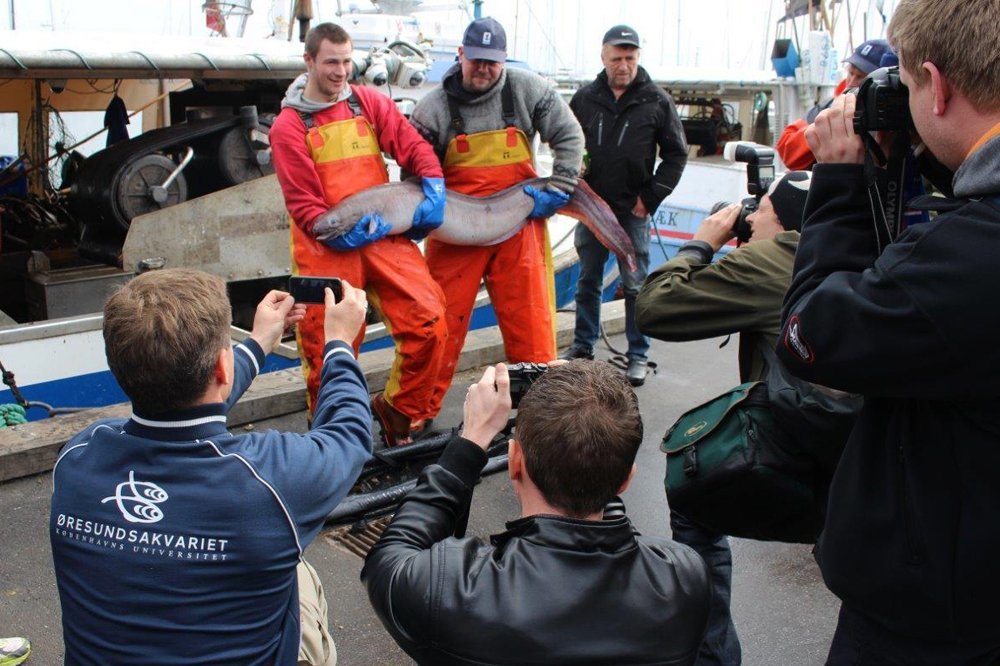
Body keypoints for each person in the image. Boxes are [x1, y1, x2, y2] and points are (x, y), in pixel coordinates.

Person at [776, 0, 1000, 661]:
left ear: (940, 84)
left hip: (936, 615)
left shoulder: (969, 258)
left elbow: (809, 335)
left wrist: (843, 177)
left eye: (907, 85)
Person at [49, 268, 372, 665]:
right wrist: (339, 342)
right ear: (223, 367)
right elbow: (350, 435)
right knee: (298, 571)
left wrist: (257, 343)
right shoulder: (272, 483)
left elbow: (178, 399)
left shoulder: (78, 456)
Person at [361, 360, 711, 665]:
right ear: (625, 481)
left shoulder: (446, 590)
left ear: (514, 462)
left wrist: (471, 441)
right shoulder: (685, 578)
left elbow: (389, 557)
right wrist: (594, 433)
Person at [636, 171, 816, 665]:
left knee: (694, 495)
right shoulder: (858, 240)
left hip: (814, 457)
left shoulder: (780, 257)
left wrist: (700, 245)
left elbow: (655, 308)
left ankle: (712, 659)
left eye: (763, 210)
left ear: (786, 226)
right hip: (876, 455)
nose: (751, 215)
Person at [269, 22, 448, 446]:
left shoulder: (367, 103)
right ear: (309, 61)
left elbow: (412, 145)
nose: (341, 71)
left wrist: (433, 181)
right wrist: (338, 235)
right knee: (326, 348)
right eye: (332, 62)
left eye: (347, 61)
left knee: (431, 322)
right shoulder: (288, 127)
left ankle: (398, 413)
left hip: (382, 235)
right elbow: (305, 205)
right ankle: (330, 438)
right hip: (325, 248)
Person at [409, 17, 585, 418]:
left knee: (533, 329)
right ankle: (416, 412)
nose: (483, 69)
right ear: (461, 56)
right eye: (476, 61)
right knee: (435, 326)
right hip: (454, 233)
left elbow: (569, 136)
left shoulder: (528, 90)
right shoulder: (432, 107)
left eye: (492, 62)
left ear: (503, 60)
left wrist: (559, 186)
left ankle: (539, 416)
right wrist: (426, 203)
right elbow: (411, 169)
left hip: (518, 228)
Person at [563, 24, 689, 386]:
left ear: (638, 58)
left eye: (630, 58)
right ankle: (583, 347)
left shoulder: (656, 100)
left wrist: (650, 198)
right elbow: (567, 144)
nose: (623, 64)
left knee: (635, 286)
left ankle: (638, 355)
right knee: (587, 281)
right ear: (603, 57)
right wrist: (572, 181)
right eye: (617, 58)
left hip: (632, 212)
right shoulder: (585, 98)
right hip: (591, 208)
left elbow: (676, 155)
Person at [776, 38, 892, 170]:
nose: (852, 81)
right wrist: (825, 126)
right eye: (851, 73)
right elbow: (787, 148)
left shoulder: (886, 122)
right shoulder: (829, 105)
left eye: (860, 76)